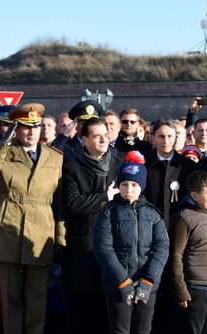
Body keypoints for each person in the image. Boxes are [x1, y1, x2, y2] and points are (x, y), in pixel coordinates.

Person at [0, 103, 66, 334]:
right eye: (24, 127)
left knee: (37, 299)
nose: (31, 132)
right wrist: (3, 144)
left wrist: (60, 236)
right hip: (8, 229)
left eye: (36, 126)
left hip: (40, 233)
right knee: (9, 298)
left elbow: (59, 203)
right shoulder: (3, 153)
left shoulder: (55, 156)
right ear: (15, 129)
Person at [93, 151, 169, 334]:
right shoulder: (108, 212)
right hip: (117, 285)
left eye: (134, 185)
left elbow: (161, 248)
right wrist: (122, 281)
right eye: (125, 184)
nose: (129, 190)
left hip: (147, 285)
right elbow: (103, 249)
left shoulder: (153, 214)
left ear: (141, 186)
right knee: (120, 330)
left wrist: (148, 279)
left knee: (143, 329)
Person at [62, 117, 120, 333]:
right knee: (83, 314)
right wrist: (105, 196)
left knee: (108, 313)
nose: (103, 139)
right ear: (84, 140)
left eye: (105, 134)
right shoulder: (72, 168)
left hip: (114, 246)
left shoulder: (118, 165)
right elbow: (73, 203)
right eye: (97, 136)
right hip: (83, 249)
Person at [169, 171, 207, 334]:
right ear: (194, 195)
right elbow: (175, 255)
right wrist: (180, 289)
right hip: (196, 290)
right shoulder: (184, 217)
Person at [143, 119, 197, 230]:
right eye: (161, 136)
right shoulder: (144, 165)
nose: (166, 141)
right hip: (149, 226)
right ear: (153, 139)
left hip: (180, 227)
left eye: (170, 136)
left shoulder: (189, 166)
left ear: (176, 138)